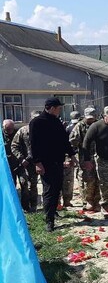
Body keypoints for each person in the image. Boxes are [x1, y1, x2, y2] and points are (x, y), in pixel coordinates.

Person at [29, 98, 78, 231]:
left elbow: (64, 141)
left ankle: (53, 211)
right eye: (58, 108)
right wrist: (37, 163)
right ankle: (49, 221)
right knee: (49, 190)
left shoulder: (56, 121)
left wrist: (72, 156)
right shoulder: (37, 122)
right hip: (45, 162)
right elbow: (34, 145)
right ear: (51, 107)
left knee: (57, 188)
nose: (60, 110)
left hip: (58, 161)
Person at [70, 107, 100, 211]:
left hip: (98, 156)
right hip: (84, 157)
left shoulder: (98, 124)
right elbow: (72, 140)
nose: (90, 120)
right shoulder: (79, 126)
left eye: (92, 118)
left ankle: (97, 201)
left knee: (98, 179)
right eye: (88, 118)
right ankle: (87, 201)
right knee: (86, 179)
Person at [11, 111, 41, 212]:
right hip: (27, 164)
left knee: (36, 185)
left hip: (42, 163)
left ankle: (34, 207)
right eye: (34, 118)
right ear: (30, 118)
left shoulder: (44, 130)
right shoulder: (23, 130)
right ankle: (26, 207)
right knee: (25, 185)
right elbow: (14, 146)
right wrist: (21, 158)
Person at [61, 111, 81, 207]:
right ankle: (65, 201)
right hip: (71, 154)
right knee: (68, 179)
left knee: (71, 179)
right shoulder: (70, 128)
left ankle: (66, 201)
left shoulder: (69, 127)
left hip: (75, 155)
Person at [2, 119, 18, 184]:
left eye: (12, 128)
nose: (10, 131)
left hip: (18, 161)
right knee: (10, 181)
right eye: (8, 129)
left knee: (23, 182)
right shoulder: (1, 136)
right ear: (4, 128)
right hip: (6, 163)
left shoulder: (17, 133)